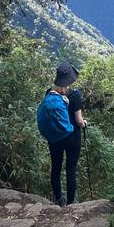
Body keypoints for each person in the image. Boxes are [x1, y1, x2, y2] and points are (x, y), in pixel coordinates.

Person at [36, 64, 87, 206]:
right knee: (71, 168)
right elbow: (78, 121)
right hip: (72, 137)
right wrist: (84, 123)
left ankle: (58, 198)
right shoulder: (75, 95)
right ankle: (71, 203)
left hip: (55, 137)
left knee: (56, 167)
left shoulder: (49, 93)